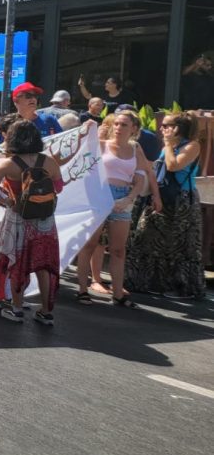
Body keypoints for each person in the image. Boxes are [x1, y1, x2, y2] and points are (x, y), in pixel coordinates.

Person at [0, 119, 65, 324]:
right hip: (45, 220)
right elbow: (59, 187)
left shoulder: (9, 164)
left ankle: (16, 309)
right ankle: (46, 312)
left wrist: (7, 200)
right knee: (43, 265)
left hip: (18, 217)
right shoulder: (49, 162)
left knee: (17, 262)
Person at [75, 110, 153, 308]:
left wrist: (128, 198)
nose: (118, 128)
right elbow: (78, 156)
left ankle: (118, 293)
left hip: (123, 197)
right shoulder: (102, 145)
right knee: (90, 245)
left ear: (134, 128)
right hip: (100, 195)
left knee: (118, 249)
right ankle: (82, 289)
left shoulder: (135, 148)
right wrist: (86, 130)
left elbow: (140, 177)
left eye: (124, 125)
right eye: (116, 123)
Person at [127, 113, 205, 299]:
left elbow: (173, 166)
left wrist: (169, 145)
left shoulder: (192, 145)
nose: (161, 129)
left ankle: (179, 287)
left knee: (177, 244)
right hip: (160, 194)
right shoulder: (168, 146)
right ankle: (146, 281)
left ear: (178, 128)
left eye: (166, 125)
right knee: (146, 236)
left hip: (181, 200)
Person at [0, 82, 61, 149]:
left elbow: (61, 145)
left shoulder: (49, 120)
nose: (33, 99)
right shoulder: (4, 123)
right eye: (28, 96)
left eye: (35, 96)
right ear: (15, 100)